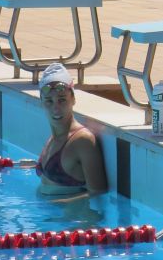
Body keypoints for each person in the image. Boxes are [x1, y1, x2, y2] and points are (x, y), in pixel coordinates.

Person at [32, 62, 107, 195]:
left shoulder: (82, 140)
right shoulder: (53, 139)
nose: (56, 109)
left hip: (72, 215)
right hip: (51, 214)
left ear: (73, 99)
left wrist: (58, 203)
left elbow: (97, 193)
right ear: (41, 102)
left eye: (62, 100)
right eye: (49, 101)